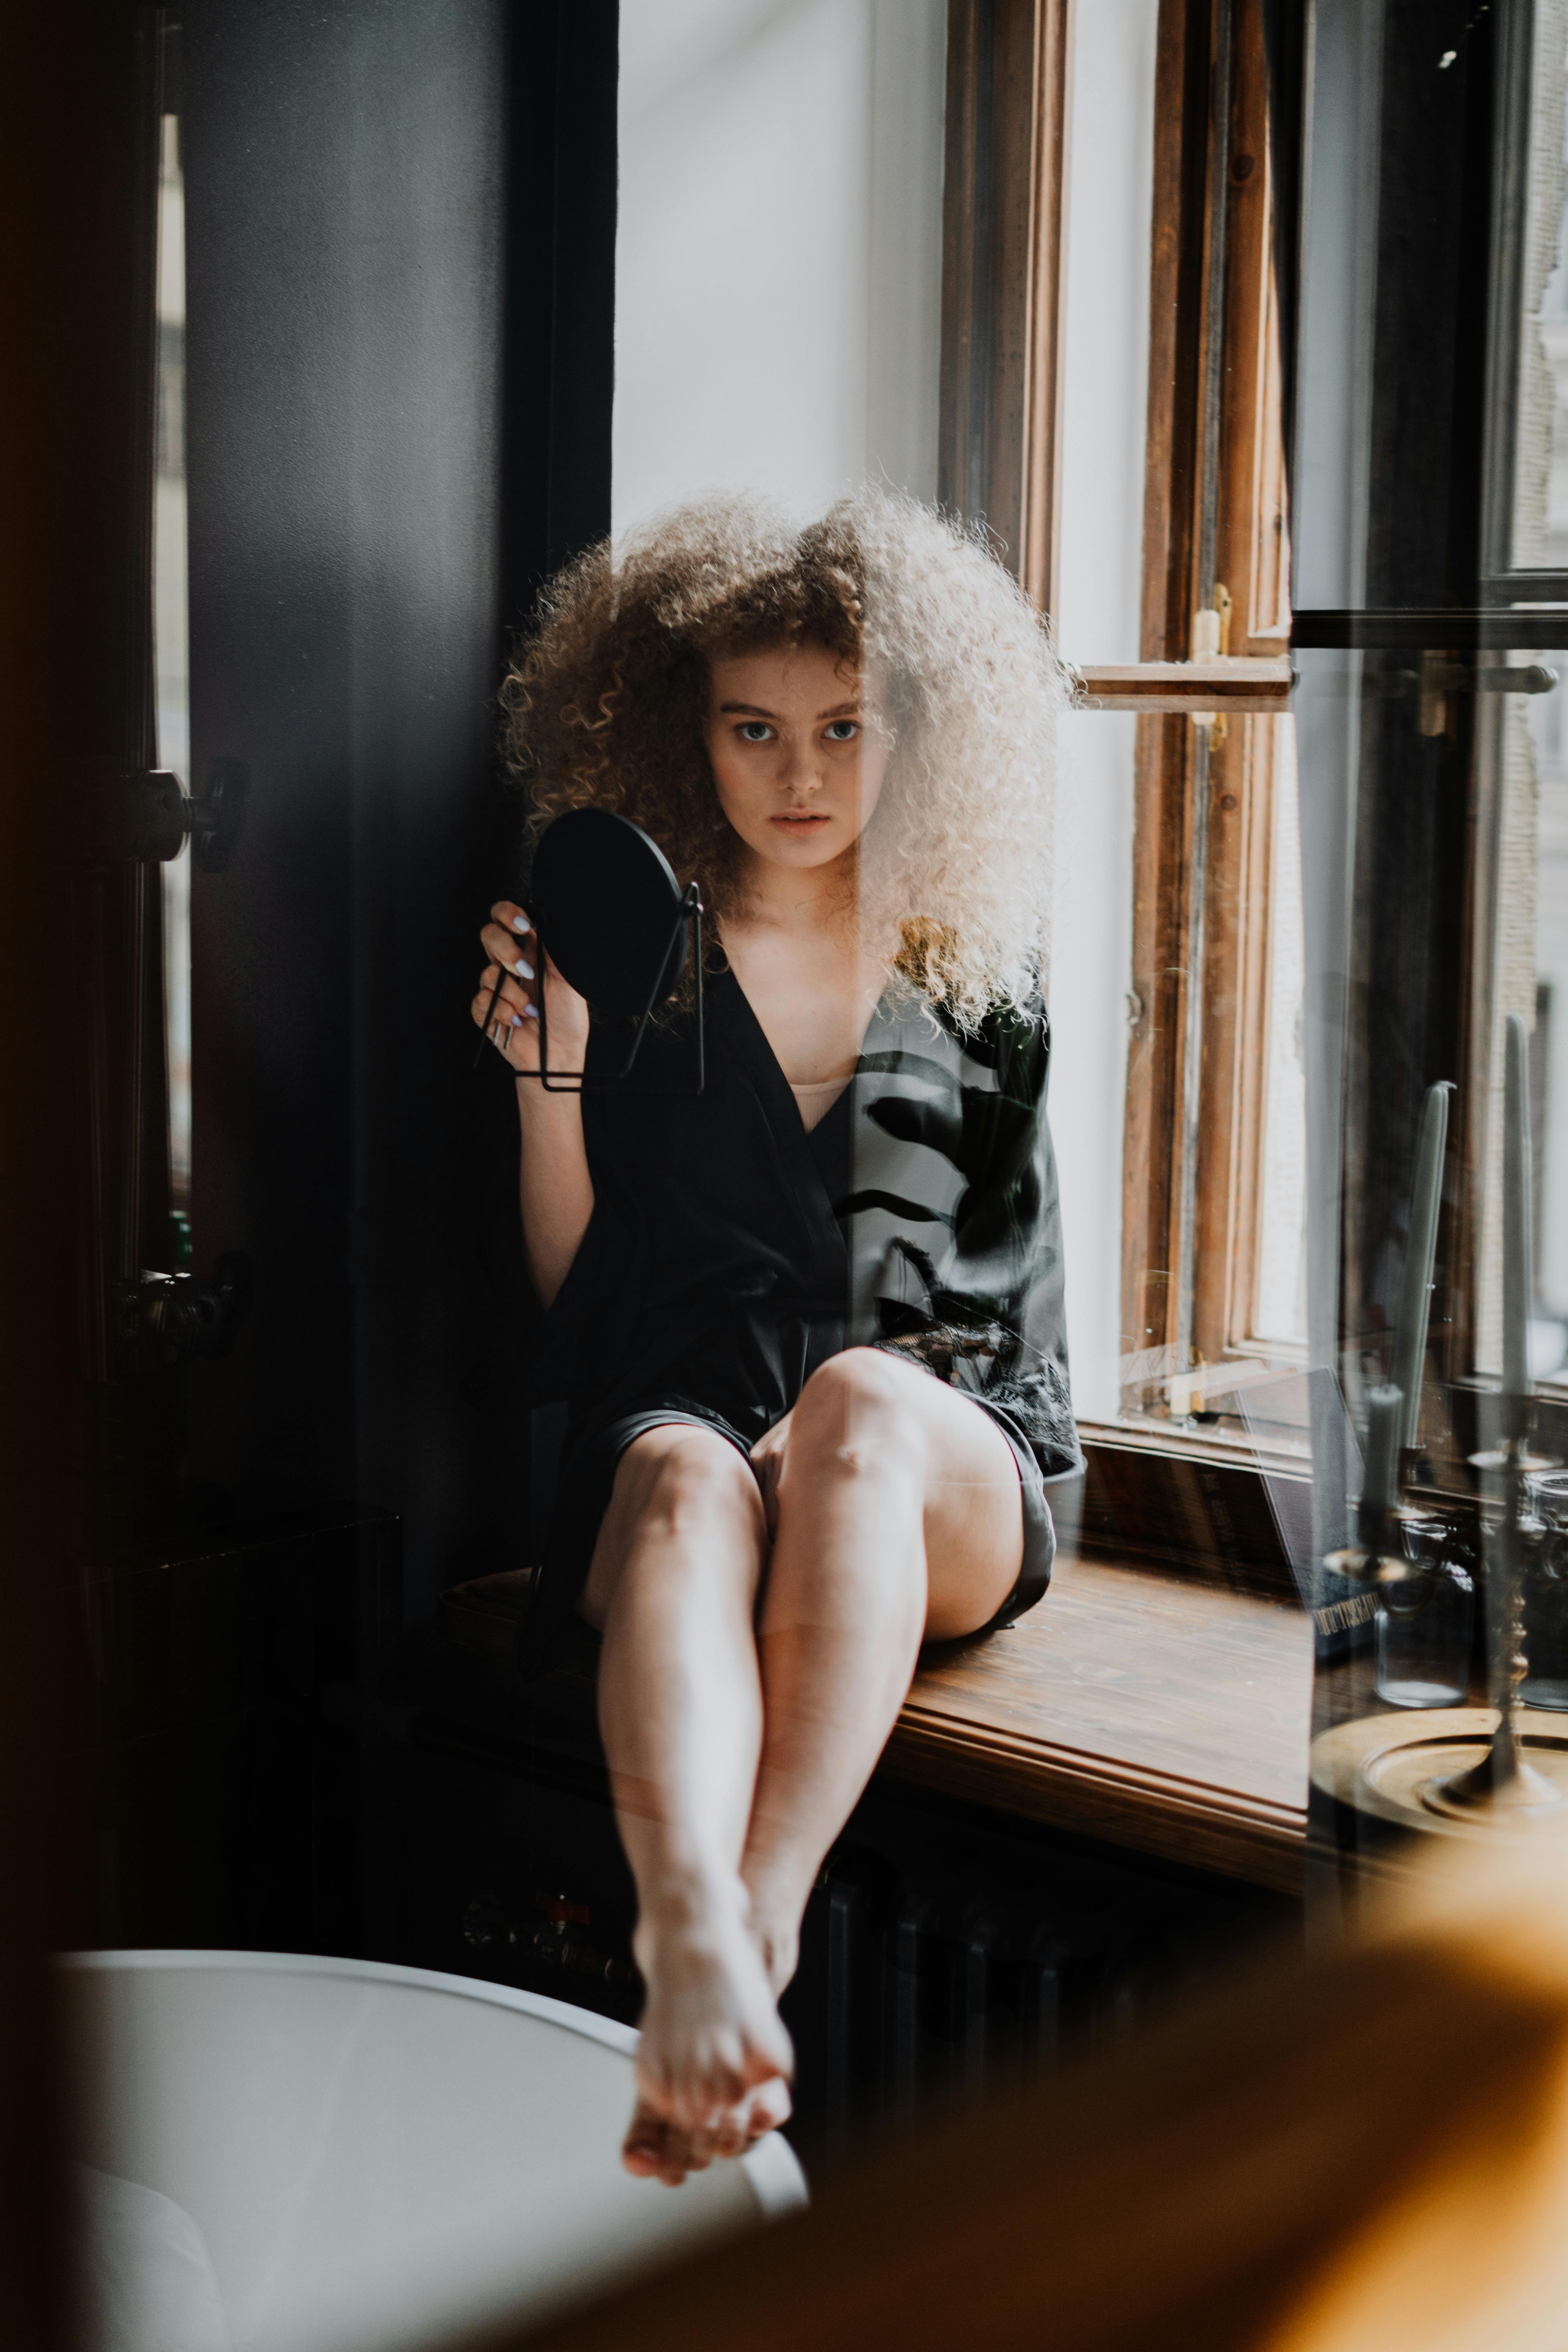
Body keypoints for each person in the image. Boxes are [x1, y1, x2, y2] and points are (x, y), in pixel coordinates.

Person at [471, 492, 1081, 2186]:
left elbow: (971, 1308)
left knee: (855, 1407)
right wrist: (552, 1076)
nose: (800, 773)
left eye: (844, 727)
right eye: (753, 726)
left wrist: (815, 1419)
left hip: (932, 1440)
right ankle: (688, 1951)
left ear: (915, 736)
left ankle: (760, 1921)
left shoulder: (976, 974)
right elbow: (580, 1291)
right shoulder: (635, 959)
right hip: (690, 1401)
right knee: (671, 1480)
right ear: (684, 727)